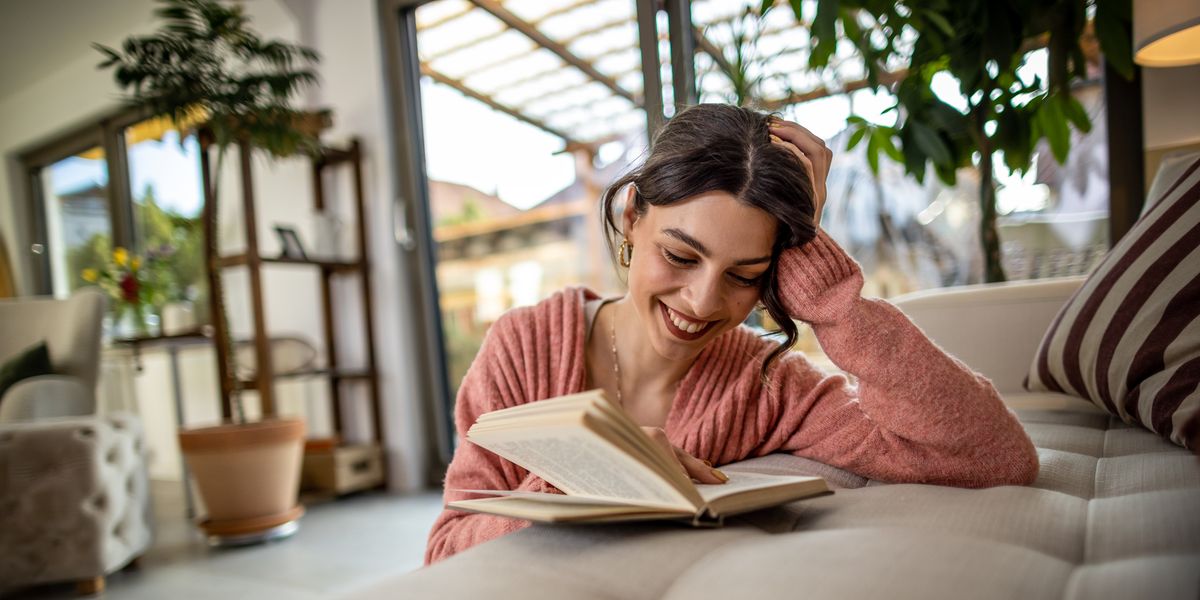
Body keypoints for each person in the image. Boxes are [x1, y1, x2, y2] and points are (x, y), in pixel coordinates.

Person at [425, 104, 1039, 565]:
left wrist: (834, 303)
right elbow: (447, 549)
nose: (703, 303)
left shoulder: (766, 384)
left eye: (744, 276)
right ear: (633, 215)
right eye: (681, 256)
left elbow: (993, 457)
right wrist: (583, 474)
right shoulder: (524, 346)